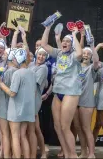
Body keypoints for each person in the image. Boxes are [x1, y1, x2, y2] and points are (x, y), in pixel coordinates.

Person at [41, 22, 83, 158]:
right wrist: (47, 29)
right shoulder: (59, 53)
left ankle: (73, 155)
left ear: (71, 45)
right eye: (63, 41)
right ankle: (66, 153)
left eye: (67, 41)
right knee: (58, 127)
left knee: (65, 126)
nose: (64, 43)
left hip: (70, 92)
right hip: (57, 91)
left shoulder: (75, 56)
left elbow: (80, 52)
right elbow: (44, 45)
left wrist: (74, 35)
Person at [0, 48, 37, 158]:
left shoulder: (17, 74)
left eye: (14, 58)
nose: (13, 60)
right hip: (27, 110)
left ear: (18, 59)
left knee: (15, 136)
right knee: (23, 136)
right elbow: (34, 93)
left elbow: (12, 93)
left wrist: (0, 83)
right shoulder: (32, 73)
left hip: (16, 110)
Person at [28, 47, 49, 158]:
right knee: (33, 128)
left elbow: (34, 85)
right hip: (27, 100)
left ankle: (42, 153)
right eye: (39, 54)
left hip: (34, 100)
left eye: (43, 55)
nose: (41, 57)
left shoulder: (43, 68)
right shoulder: (31, 65)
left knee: (35, 128)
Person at [0, 48, 18, 158]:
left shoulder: (10, 71)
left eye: (6, 53)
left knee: (5, 134)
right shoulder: (12, 70)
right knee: (12, 135)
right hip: (12, 106)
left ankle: (7, 156)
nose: (3, 55)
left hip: (5, 105)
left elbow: (9, 90)